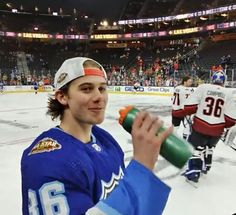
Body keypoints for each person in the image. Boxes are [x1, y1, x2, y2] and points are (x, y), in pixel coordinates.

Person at [21, 57, 173, 215]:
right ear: (62, 97)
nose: (99, 97)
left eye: (102, 89)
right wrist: (142, 167)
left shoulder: (104, 138)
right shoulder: (46, 160)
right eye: (86, 89)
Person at [180, 71, 233, 182]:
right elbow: (231, 118)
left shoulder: (203, 87)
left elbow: (189, 106)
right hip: (217, 130)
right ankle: (206, 166)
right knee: (209, 147)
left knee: (195, 149)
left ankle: (194, 172)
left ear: (212, 79)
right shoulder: (228, 93)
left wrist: (189, 112)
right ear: (223, 81)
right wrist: (224, 126)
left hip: (201, 126)